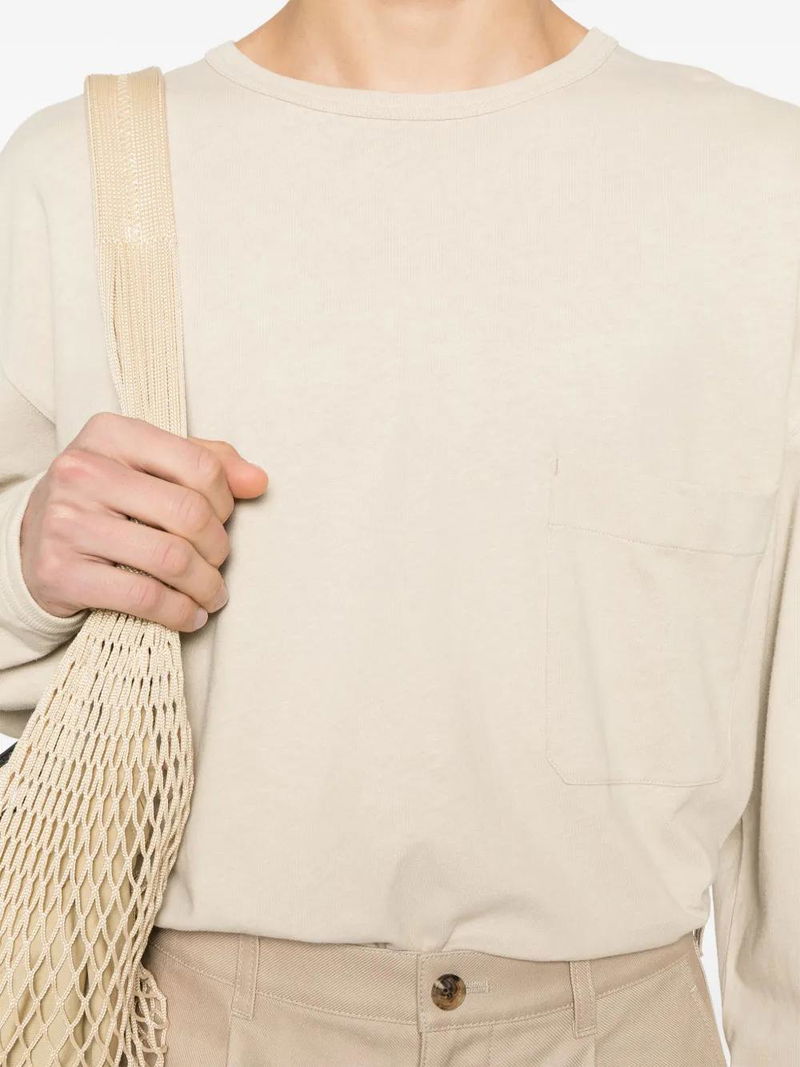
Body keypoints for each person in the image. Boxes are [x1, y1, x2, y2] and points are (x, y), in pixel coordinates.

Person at [0, 1, 797, 1063]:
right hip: (184, 1025)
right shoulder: (82, 174)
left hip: (625, 1024)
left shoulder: (761, 182)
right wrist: (27, 570)